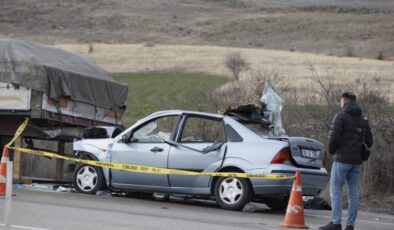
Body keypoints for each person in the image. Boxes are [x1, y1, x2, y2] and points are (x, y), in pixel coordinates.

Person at [320, 92, 373, 230]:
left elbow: (333, 138)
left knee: (336, 190)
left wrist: (332, 151)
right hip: (356, 162)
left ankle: (336, 223)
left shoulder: (341, 117)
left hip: (342, 159)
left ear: (344, 102)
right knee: (353, 192)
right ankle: (350, 225)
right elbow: (370, 141)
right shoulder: (364, 120)